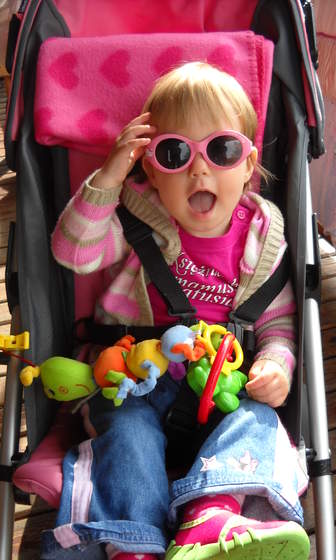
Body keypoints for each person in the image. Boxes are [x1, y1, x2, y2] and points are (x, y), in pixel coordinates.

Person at [42, 62, 309, 560]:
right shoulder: (137, 218)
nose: (199, 169)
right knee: (127, 433)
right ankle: (132, 543)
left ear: (248, 166)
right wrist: (110, 177)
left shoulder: (262, 239)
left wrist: (276, 364)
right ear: (150, 169)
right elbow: (72, 252)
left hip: (223, 389)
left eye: (222, 150)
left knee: (260, 420)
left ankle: (213, 516)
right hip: (134, 381)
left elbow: (277, 322)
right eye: (174, 153)